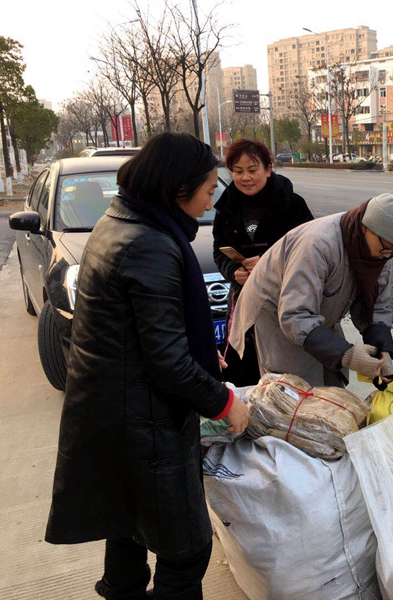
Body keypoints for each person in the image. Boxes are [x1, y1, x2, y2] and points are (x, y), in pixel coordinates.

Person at [45, 133, 250, 600]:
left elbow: (138, 330)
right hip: (144, 423)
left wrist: (200, 350)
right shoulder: (150, 244)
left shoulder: (117, 222)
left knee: (126, 527)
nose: (210, 202)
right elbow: (169, 363)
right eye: (207, 190)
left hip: (110, 411)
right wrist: (224, 402)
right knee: (186, 552)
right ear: (178, 188)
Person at [229, 194, 393, 387]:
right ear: (365, 227)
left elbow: (376, 306)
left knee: (332, 382)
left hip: (318, 309)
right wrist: (349, 355)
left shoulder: (380, 252)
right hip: (277, 312)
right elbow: (296, 316)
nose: (388, 256)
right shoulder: (317, 244)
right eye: (387, 248)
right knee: (297, 388)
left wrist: (382, 348)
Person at [213, 139, 313, 386]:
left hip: (283, 299)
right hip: (243, 299)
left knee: (283, 372)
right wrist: (233, 271)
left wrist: (269, 262)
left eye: (252, 169)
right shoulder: (226, 207)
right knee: (242, 367)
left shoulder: (292, 204)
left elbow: (310, 249)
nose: (245, 177)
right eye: (238, 171)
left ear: (268, 169)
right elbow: (219, 250)